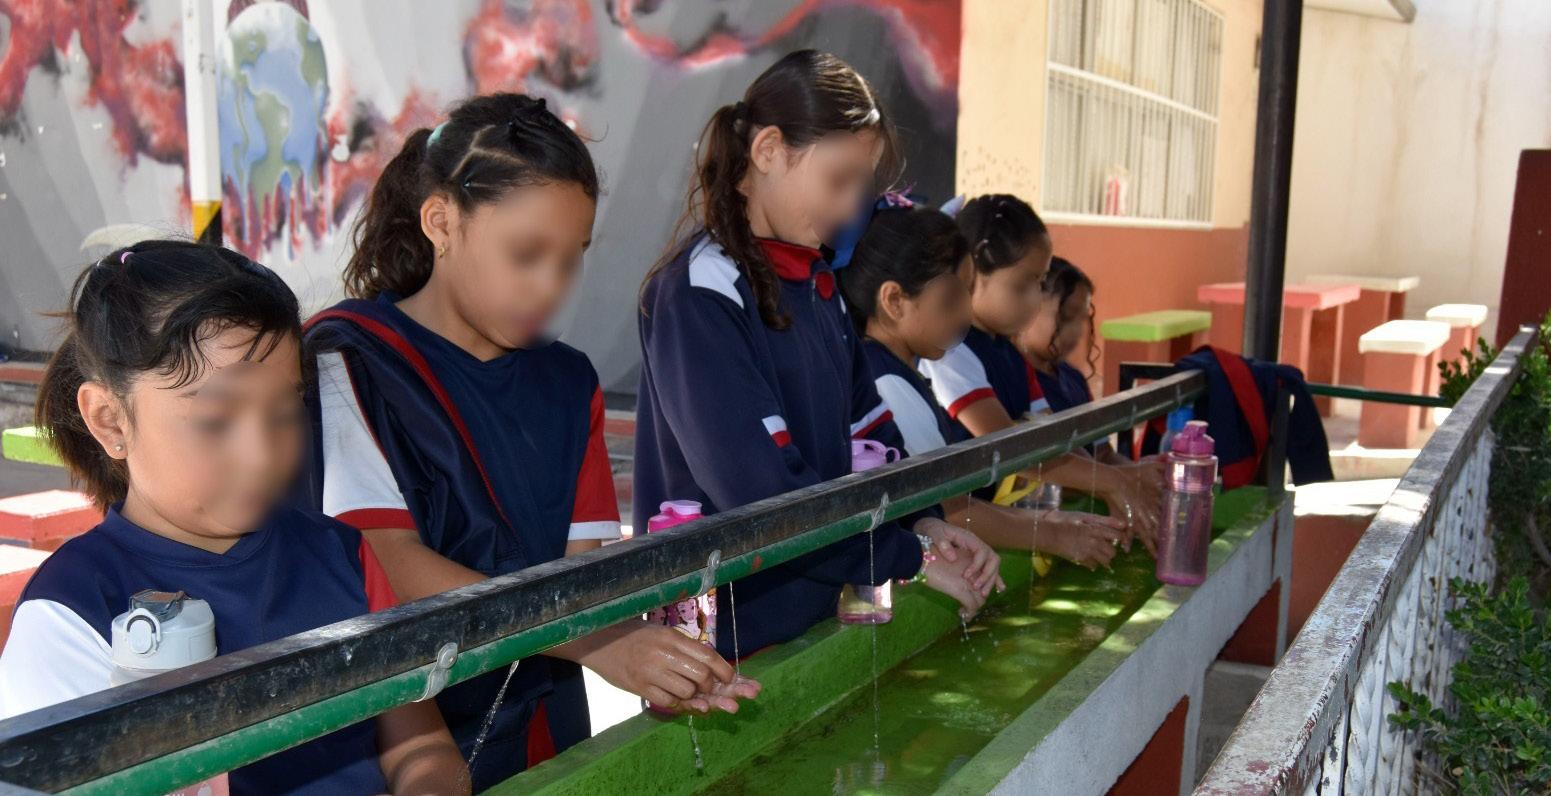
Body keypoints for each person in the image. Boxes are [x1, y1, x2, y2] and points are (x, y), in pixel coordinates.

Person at [299, 93, 756, 790]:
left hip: (545, 721)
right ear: (440, 222)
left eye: (571, 259)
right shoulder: (350, 359)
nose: (551, 286)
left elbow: (583, 571)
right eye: (526, 254)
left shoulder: (570, 382)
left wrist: (656, 651)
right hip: (406, 738)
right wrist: (603, 641)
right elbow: (386, 562)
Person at [1, 241, 468, 794]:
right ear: (109, 420)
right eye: (217, 419)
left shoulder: (343, 554)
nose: (262, 455)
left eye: (285, 411)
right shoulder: (72, 611)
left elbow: (419, 746)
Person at [634, 50, 1001, 661]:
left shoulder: (816, 285)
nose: (853, 207)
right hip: (716, 642)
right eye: (839, 180)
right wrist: (909, 556)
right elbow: (761, 495)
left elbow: (871, 432)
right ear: (769, 150)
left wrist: (925, 521)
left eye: (863, 184)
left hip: (813, 618)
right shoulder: (700, 293)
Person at [838, 202, 1129, 569]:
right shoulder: (888, 385)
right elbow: (949, 509)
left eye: (968, 293)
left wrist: (1055, 521)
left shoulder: (901, 373)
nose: (965, 314)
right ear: (894, 300)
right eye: (952, 298)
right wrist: (1053, 533)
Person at [919, 195, 1163, 552]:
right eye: (1022, 285)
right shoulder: (950, 353)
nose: (1035, 300)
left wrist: (1120, 479)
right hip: (952, 532)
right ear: (972, 274)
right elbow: (1008, 447)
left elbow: (1050, 439)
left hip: (995, 527)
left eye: (1041, 282)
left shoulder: (1012, 355)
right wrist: (1110, 481)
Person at [1018, 256, 1130, 466]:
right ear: (1027, 307)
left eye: (1083, 318)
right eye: (1067, 317)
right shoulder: (1015, 382)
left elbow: (1103, 454)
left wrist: (1140, 474)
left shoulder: (1074, 378)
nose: (1077, 330)